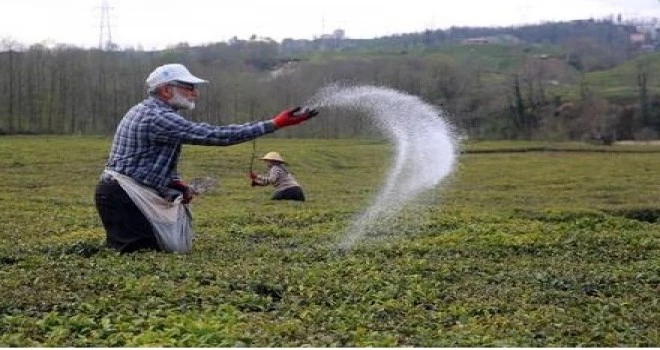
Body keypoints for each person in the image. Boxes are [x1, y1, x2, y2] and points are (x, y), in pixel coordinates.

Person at [94, 63, 318, 254]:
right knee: (140, 255)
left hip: (121, 193)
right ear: (165, 90)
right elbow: (215, 135)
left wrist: (174, 183)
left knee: (150, 251)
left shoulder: (152, 112)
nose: (195, 93)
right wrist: (274, 124)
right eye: (188, 87)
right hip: (123, 198)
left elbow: (146, 159)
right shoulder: (158, 117)